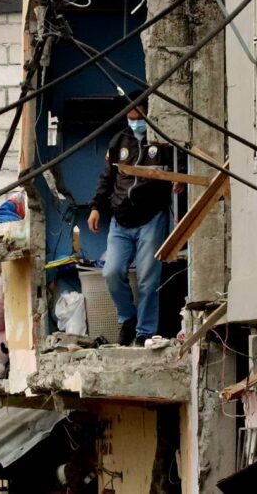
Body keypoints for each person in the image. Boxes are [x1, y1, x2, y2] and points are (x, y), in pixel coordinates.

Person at [88, 92, 182, 346]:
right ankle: (127, 319)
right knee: (112, 272)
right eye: (129, 117)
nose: (133, 121)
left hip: (151, 219)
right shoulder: (119, 141)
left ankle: (144, 332)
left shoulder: (163, 142)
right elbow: (107, 177)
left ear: (147, 114)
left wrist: (178, 180)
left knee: (148, 278)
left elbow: (179, 168)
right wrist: (96, 207)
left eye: (137, 117)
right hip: (120, 220)